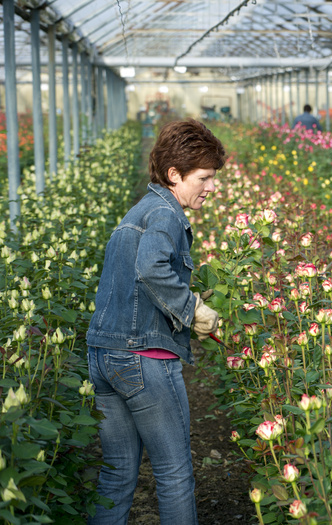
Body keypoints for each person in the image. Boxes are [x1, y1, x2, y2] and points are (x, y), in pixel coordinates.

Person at [86, 118, 226, 524]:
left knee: (117, 473)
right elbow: (150, 268)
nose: (211, 187)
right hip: (142, 359)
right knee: (175, 473)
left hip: (103, 357)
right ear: (174, 175)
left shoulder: (140, 210)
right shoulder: (166, 215)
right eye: (204, 177)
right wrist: (193, 308)